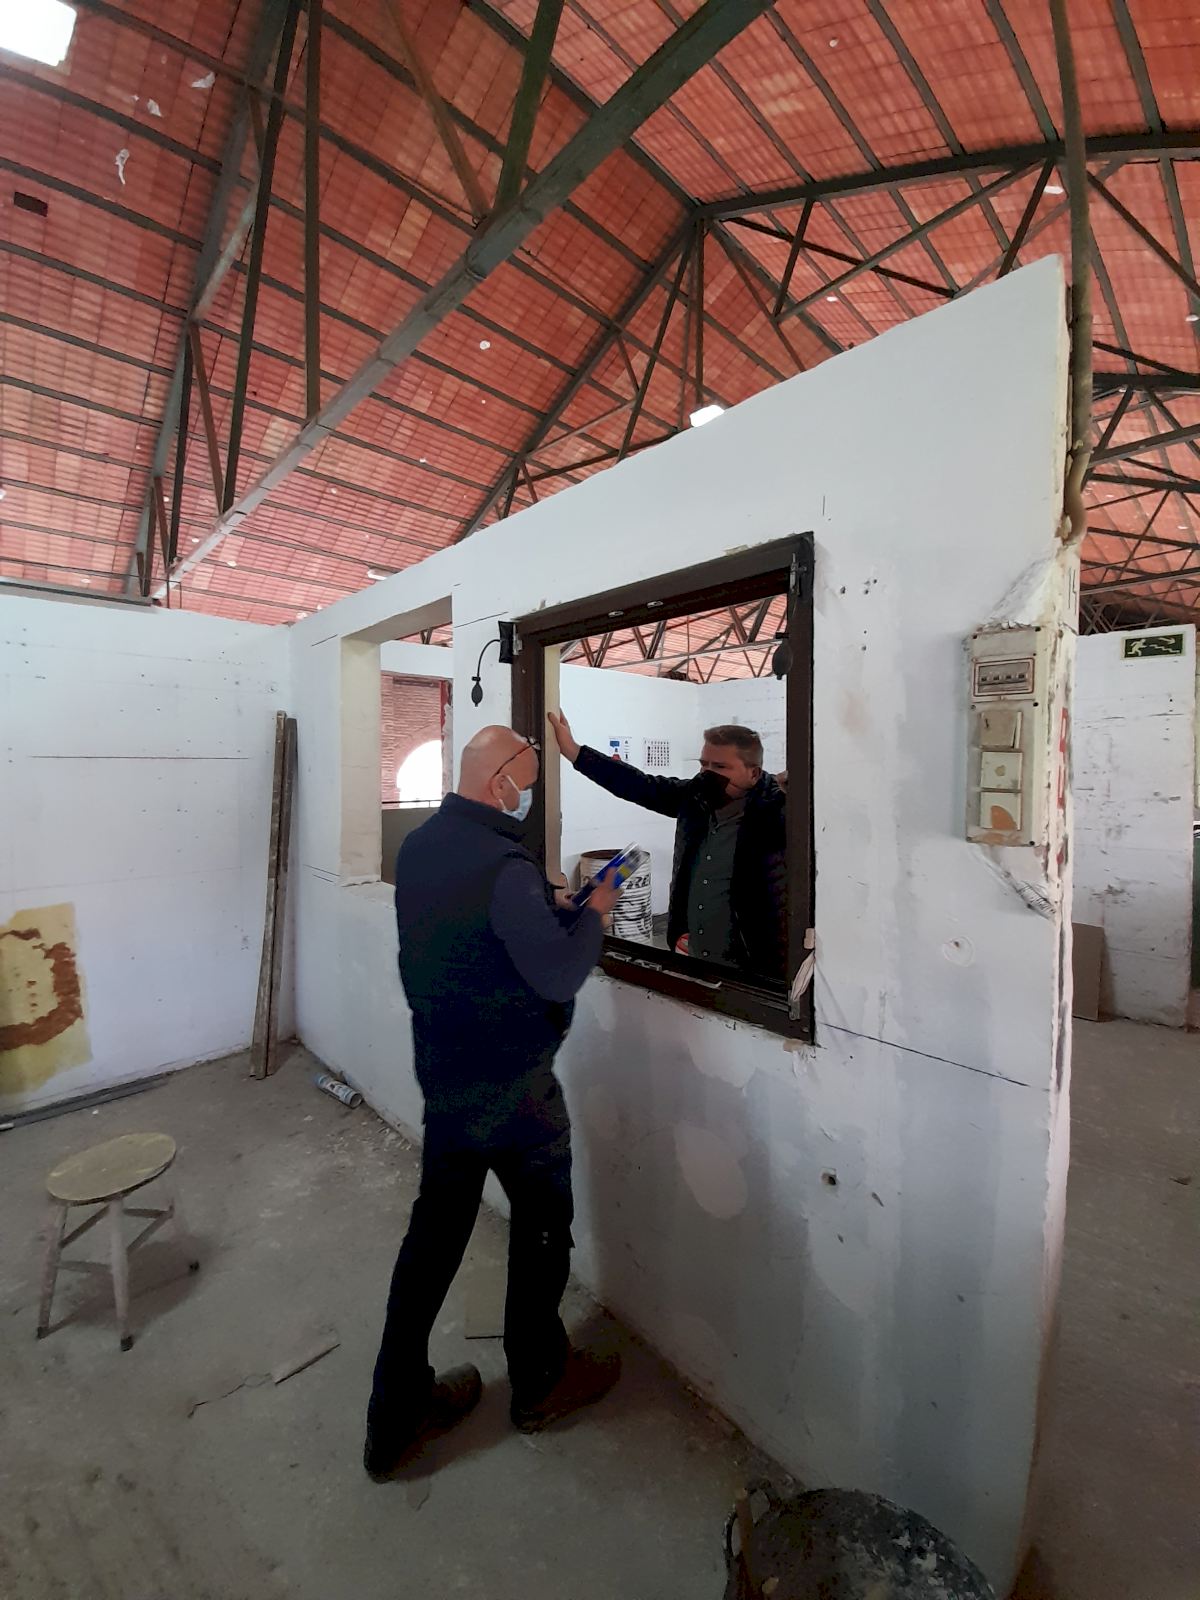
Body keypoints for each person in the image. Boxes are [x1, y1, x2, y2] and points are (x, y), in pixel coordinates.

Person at [365, 725, 623, 1481]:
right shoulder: (506, 866)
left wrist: (544, 903)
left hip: (446, 1078)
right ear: (500, 779)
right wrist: (594, 912)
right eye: (529, 782)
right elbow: (557, 974)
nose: (529, 796)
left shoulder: (421, 845)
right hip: (515, 1093)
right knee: (542, 1232)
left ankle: (394, 1414)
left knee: (433, 1242)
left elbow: (472, 933)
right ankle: (540, 1382)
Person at [548, 711, 788, 979]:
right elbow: (638, 784)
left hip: (753, 970)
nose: (708, 774)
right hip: (693, 955)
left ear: (753, 773)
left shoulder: (778, 813)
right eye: (704, 764)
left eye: (720, 767)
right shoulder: (694, 799)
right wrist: (575, 752)